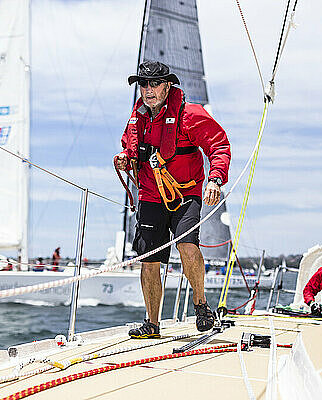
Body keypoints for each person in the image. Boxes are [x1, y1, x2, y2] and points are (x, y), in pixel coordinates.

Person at [115, 60, 231, 337]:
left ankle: (201, 304)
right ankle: (152, 323)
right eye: (143, 84)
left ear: (168, 85)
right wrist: (124, 159)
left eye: (154, 83)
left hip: (185, 193)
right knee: (150, 259)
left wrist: (215, 179)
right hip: (150, 195)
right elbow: (128, 148)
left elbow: (219, 145)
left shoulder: (190, 115)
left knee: (187, 247)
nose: (148, 90)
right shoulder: (138, 119)